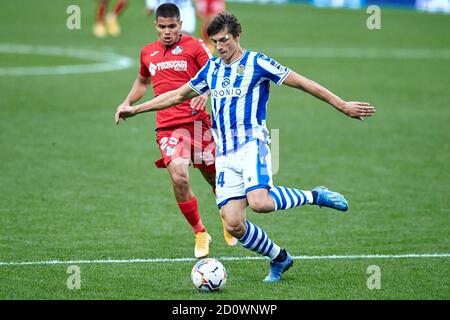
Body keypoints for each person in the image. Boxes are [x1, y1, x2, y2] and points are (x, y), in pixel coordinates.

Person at [115, 12, 376, 282]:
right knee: (234, 223)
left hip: (254, 143)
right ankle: (279, 259)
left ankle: (315, 196)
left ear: (237, 36)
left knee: (260, 203)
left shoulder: (258, 62)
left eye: (225, 40)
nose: (220, 47)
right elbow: (178, 94)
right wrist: (135, 109)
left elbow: (303, 83)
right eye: (215, 42)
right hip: (225, 153)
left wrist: (342, 104)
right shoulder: (212, 68)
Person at [115, 4, 237, 259]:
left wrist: (205, 93)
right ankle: (200, 232)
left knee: (214, 178)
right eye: (162, 27)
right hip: (168, 127)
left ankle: (227, 217)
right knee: (179, 177)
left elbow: (215, 71)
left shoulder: (195, 46)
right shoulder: (148, 53)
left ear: (181, 24)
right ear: (156, 26)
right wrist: (128, 103)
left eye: (172, 26)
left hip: (198, 124)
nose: (167, 32)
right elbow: (142, 81)